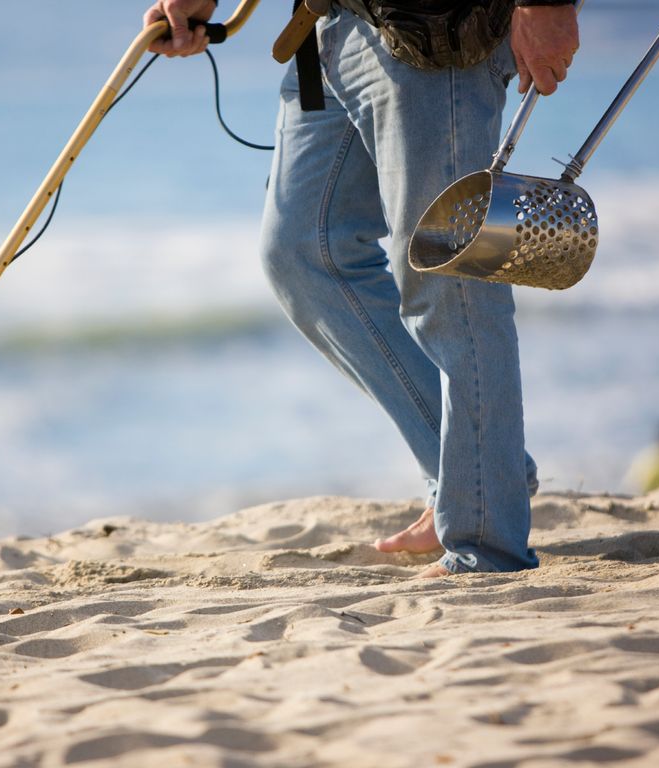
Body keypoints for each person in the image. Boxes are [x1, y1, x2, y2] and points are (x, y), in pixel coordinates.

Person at [142, 0, 580, 576]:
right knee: (300, 252)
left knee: (451, 280)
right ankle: (474, 476)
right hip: (330, 26)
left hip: (436, 31)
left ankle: (486, 541)